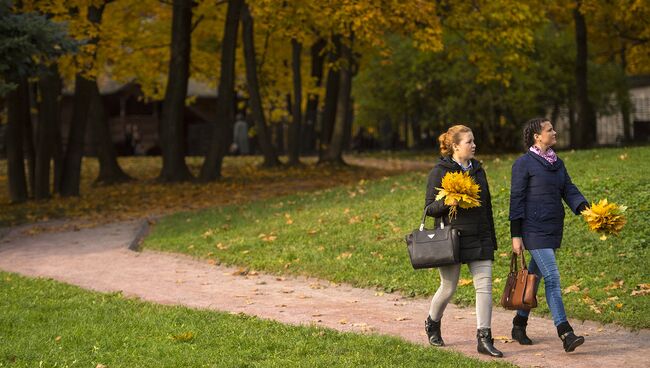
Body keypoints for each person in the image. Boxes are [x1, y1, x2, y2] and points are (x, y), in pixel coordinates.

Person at [509, 117, 589, 353]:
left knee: (534, 275)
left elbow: (568, 189)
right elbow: (517, 200)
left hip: (553, 228)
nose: (554, 132)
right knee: (552, 277)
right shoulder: (524, 164)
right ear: (537, 136)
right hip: (532, 230)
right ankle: (565, 332)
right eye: (549, 129)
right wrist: (516, 235)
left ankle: (519, 324)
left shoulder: (557, 163)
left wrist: (585, 208)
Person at [424, 124, 503, 358]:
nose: (474, 145)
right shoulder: (439, 171)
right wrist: (449, 201)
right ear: (455, 146)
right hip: (452, 239)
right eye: (469, 141)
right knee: (448, 288)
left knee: (485, 287)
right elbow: (429, 208)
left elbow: (486, 207)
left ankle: (484, 337)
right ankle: (432, 322)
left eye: (473, 141)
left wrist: (491, 240)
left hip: (478, 236)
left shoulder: (478, 170)